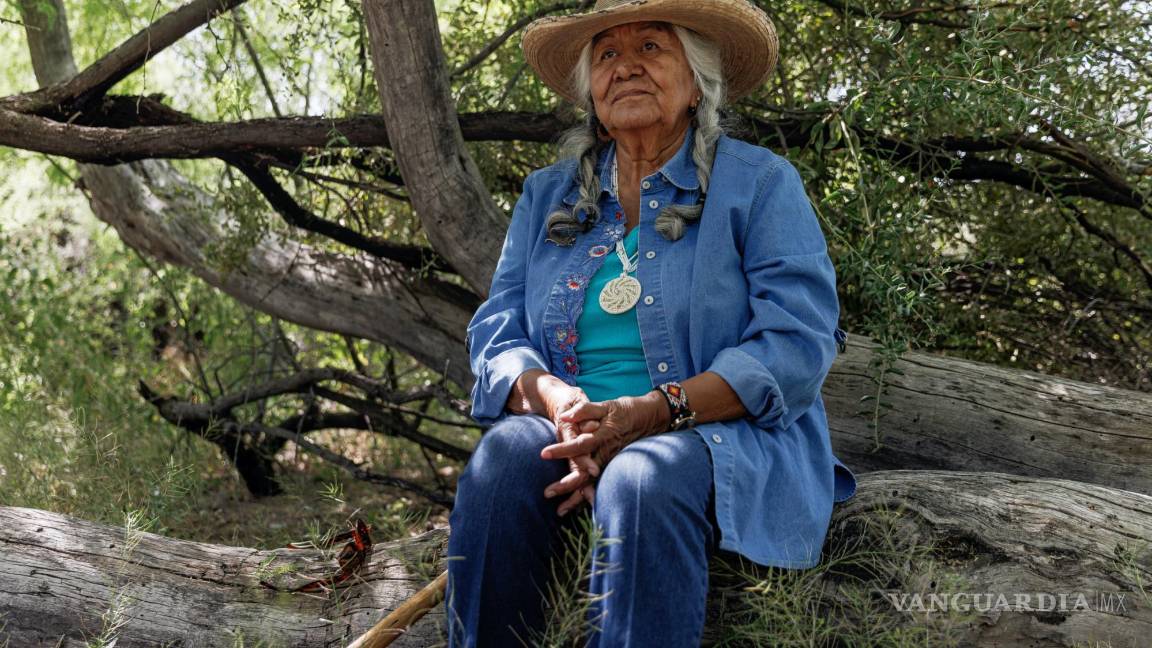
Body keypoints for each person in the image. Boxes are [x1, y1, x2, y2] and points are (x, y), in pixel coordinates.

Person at [444, 0, 858, 645]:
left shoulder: (760, 184)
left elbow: (795, 344)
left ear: (698, 85)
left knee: (642, 478)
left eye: (652, 48)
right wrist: (553, 401)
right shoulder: (546, 195)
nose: (626, 68)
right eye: (608, 54)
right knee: (502, 459)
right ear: (591, 91)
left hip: (712, 431)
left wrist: (652, 413)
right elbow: (497, 326)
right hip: (571, 424)